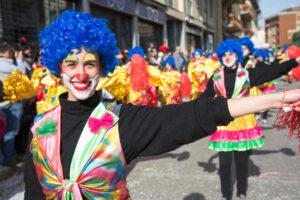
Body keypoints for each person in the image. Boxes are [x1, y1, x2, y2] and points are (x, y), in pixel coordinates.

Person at [24, 11, 300, 199]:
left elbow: (196, 113)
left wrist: (278, 99)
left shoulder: (119, 122)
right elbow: (34, 193)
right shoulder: (39, 129)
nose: (81, 74)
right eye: (71, 64)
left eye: (90, 63)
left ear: (102, 66)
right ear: (58, 68)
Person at [202, 38, 300, 200]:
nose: (227, 57)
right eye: (224, 54)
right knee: (225, 163)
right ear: (221, 57)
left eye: (231, 54)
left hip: (243, 123)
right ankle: (226, 195)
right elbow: (203, 99)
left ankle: (241, 192)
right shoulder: (216, 77)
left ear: (237, 55)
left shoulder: (247, 75)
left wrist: (295, 61)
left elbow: (273, 71)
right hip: (223, 125)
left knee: (241, 161)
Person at [0, 40, 24, 168]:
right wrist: (19, 60)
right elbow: (22, 73)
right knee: (11, 131)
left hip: (2, 103)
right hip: (11, 102)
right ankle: (9, 156)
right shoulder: (9, 65)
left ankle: (10, 155)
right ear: (9, 52)